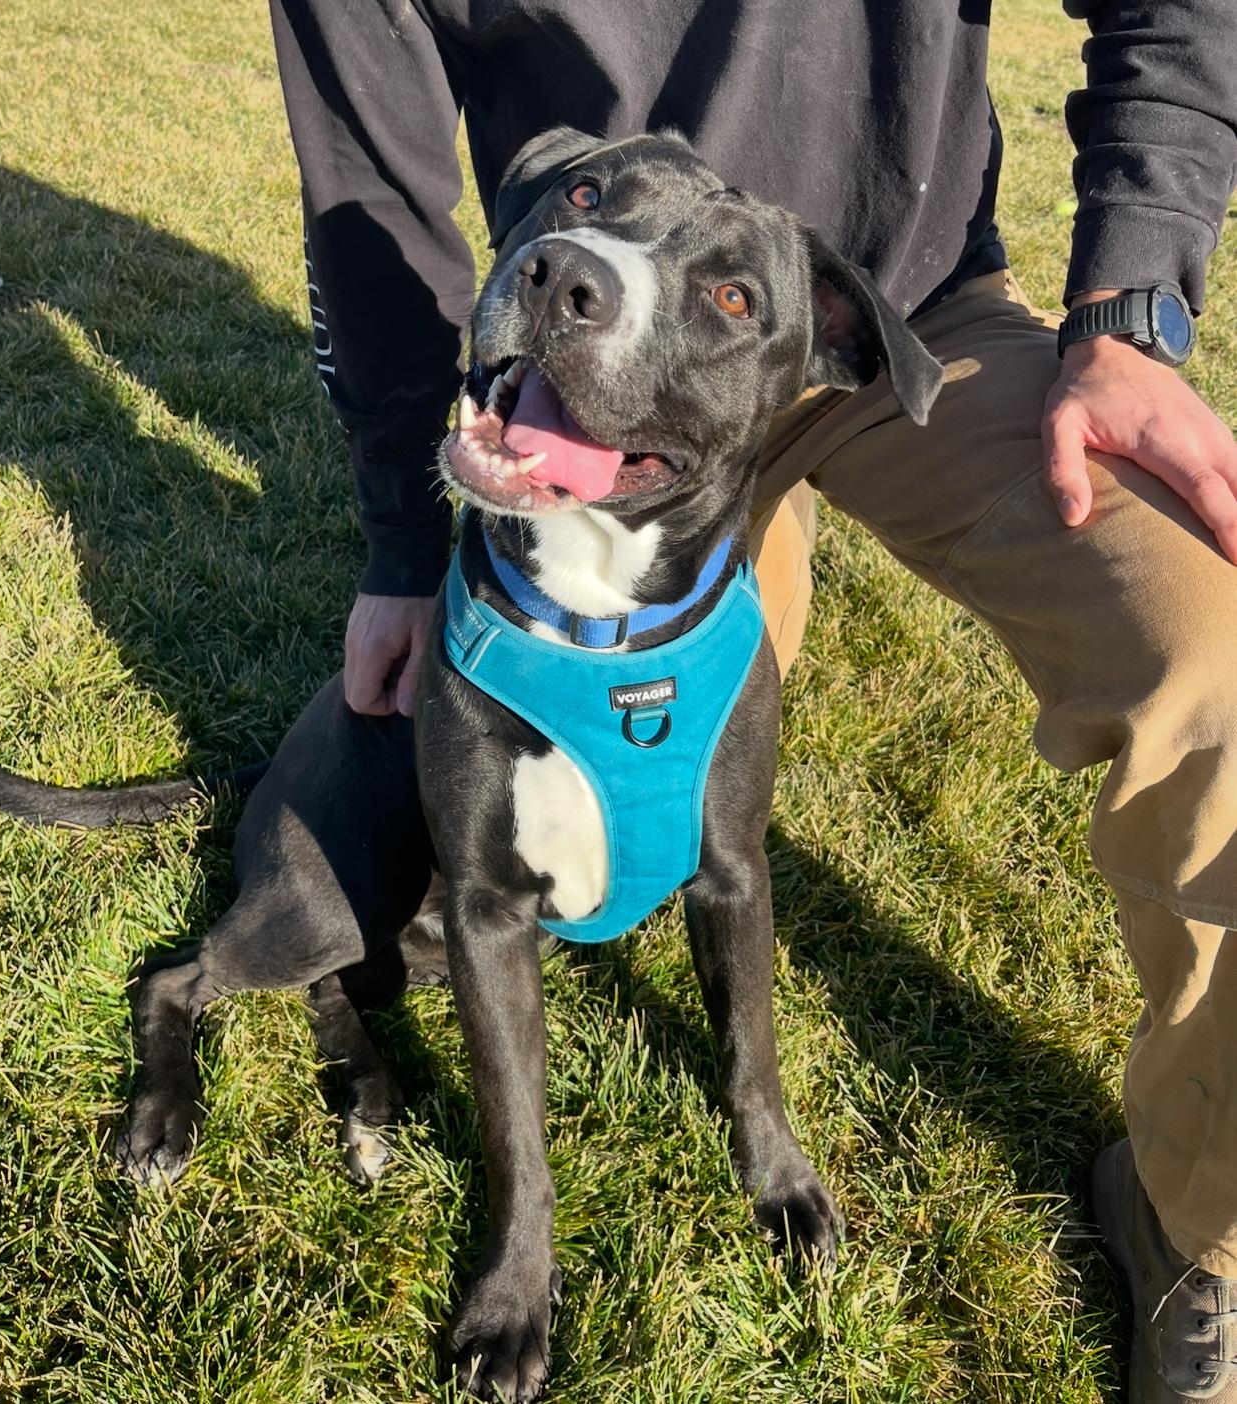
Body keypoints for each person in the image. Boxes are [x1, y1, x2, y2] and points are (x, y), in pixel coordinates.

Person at [269, 2, 1237, 1395]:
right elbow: (372, 184)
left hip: (906, 317)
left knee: (1218, 656)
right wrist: (406, 541)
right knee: (646, 772)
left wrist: (1129, 304)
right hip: (575, 367)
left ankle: (1198, 1222)